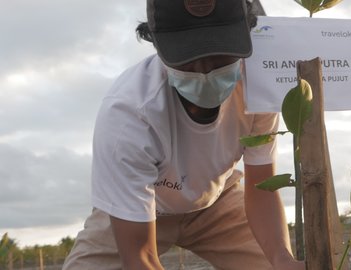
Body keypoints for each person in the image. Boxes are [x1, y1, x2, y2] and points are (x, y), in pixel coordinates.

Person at [62, 0, 303, 269]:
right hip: (140, 206)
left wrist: (281, 258)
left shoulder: (257, 89)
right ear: (159, 48)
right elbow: (140, 257)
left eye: (220, 56)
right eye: (187, 59)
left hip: (217, 201)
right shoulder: (129, 114)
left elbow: (262, 187)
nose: (205, 71)